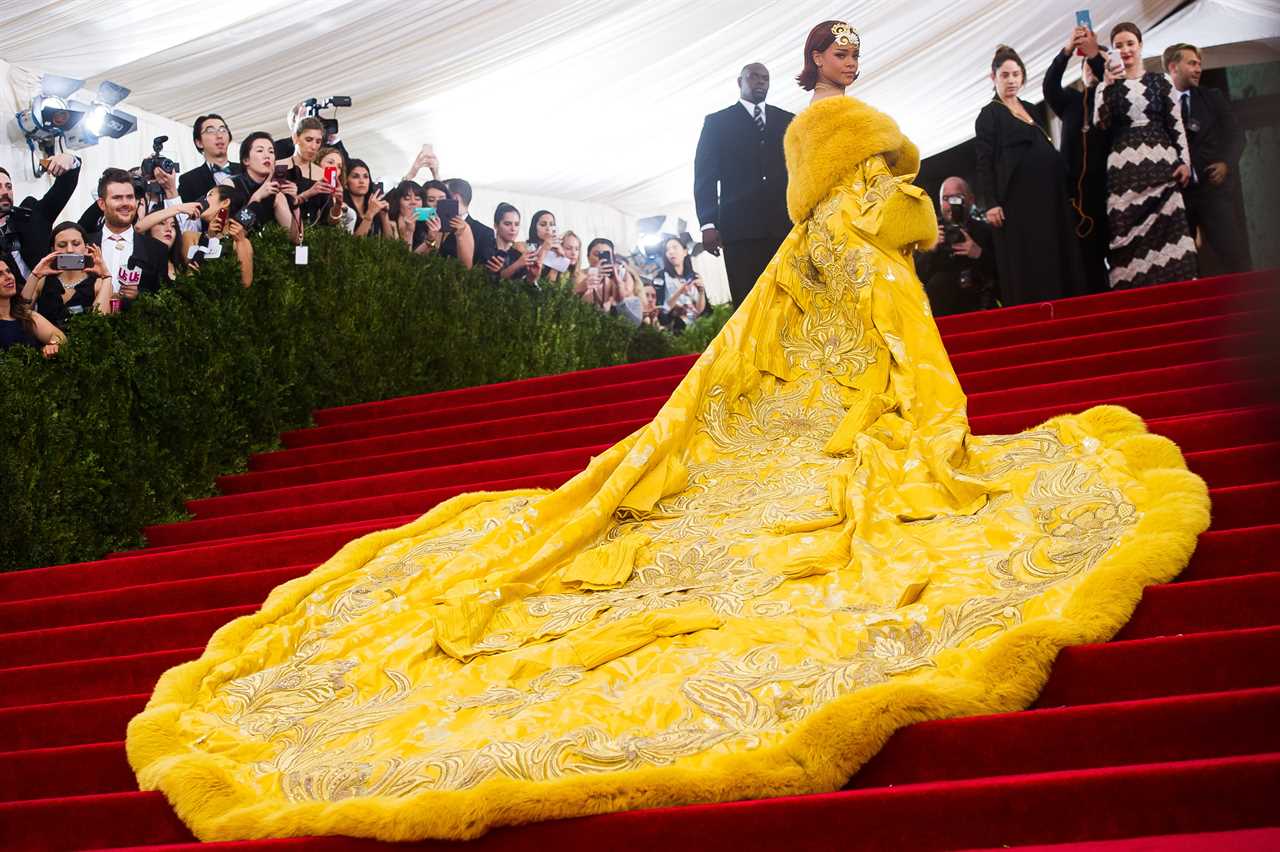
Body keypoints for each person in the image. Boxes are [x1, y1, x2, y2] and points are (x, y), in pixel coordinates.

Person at [128, 20, 1208, 845]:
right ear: (805, 64)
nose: (847, 55)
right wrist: (881, 209)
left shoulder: (856, 128)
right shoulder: (808, 130)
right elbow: (820, 198)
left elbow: (878, 204)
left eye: (850, 46)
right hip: (833, 257)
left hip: (856, 264)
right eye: (833, 46)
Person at [975, 45, 1085, 305]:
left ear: (1023, 77)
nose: (1011, 80)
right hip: (1018, 204)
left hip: (1048, 199)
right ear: (994, 78)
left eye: (1015, 74)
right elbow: (984, 162)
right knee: (1031, 260)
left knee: (1055, 254)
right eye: (1005, 75)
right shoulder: (989, 114)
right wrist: (991, 203)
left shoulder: (1030, 108)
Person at [1095, 23, 1197, 288]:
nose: (1125, 50)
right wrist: (1105, 85)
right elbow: (1100, 124)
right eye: (1118, 45)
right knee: (1124, 241)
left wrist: (1185, 162)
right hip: (1124, 177)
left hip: (1163, 171)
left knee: (1173, 243)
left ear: (1140, 45)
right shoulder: (1105, 87)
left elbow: (1176, 125)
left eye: (1130, 43)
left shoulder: (1161, 81)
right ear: (1112, 51)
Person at [693, 62, 795, 306]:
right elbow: (705, 176)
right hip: (739, 231)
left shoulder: (787, 120)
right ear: (740, 82)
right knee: (747, 301)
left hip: (783, 228)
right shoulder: (717, 123)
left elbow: (799, 171)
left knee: (786, 301)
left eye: (766, 78)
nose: (761, 82)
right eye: (754, 77)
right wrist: (707, 224)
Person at [1164, 42, 1249, 274]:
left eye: (1200, 64)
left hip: (1212, 192)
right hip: (1178, 198)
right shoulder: (1159, 103)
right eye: (1192, 63)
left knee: (1234, 257)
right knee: (1182, 265)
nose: (1198, 69)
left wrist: (1225, 163)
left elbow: (1236, 136)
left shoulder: (1213, 97)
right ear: (1173, 67)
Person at [1044, 26, 1110, 294]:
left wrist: (1096, 56)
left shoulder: (1116, 100)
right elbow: (1049, 86)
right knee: (1084, 262)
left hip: (1109, 191)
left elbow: (1105, 76)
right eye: (1088, 65)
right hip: (1076, 197)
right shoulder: (1071, 101)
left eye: (1097, 64)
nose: (1093, 70)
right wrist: (1068, 51)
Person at [914, 177, 998, 316]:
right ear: (940, 202)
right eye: (946, 198)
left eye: (957, 197)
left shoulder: (985, 231)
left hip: (979, 308)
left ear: (971, 200)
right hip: (940, 314)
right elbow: (913, 280)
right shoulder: (927, 234)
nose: (952, 204)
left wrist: (979, 254)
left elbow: (1002, 275)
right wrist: (929, 250)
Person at [87, 169, 171, 306]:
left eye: (130, 197)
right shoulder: (85, 245)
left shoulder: (156, 249)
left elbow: (165, 298)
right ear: (102, 204)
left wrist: (139, 296)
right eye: (117, 198)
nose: (125, 203)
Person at [0, 152, 81, 277]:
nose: (5, 192)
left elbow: (62, 190)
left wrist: (71, 160)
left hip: (46, 292)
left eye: (8, 186)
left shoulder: (30, 215)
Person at [21, 223, 112, 328]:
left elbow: (100, 321)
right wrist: (35, 275)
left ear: (86, 248)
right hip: (47, 343)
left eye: (76, 244)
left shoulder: (99, 283)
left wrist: (106, 277)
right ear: (53, 250)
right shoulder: (42, 280)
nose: (69, 250)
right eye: (62, 245)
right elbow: (21, 312)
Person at [0, 255, 64, 355]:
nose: (8, 277)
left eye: (8, 271)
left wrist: (53, 345)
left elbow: (59, 336)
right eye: (0, 275)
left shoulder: (26, 316)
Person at [232, 131, 292, 235]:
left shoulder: (276, 191)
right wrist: (257, 197)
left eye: (271, 152)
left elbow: (294, 238)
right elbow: (235, 233)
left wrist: (295, 203)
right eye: (260, 151)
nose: (267, 156)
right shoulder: (232, 185)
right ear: (246, 160)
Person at [178, 114, 240, 202]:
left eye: (223, 130)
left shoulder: (246, 171)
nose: (219, 135)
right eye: (210, 131)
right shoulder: (188, 180)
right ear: (199, 142)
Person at [656, 235, 709, 332]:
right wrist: (680, 291)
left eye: (675, 247)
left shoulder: (694, 276)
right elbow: (661, 309)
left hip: (697, 329)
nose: (671, 252)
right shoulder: (661, 277)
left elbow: (699, 310)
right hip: (675, 328)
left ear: (685, 252)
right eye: (667, 250)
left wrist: (701, 292)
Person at [443, 178, 497, 269]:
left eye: (442, 197)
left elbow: (482, 270)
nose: (438, 202)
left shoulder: (484, 233)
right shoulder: (434, 225)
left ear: (455, 198)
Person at [485, 203, 539, 281]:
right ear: (496, 225)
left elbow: (524, 286)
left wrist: (533, 276)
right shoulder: (487, 250)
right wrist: (518, 264)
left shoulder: (519, 255)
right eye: (507, 224)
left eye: (517, 224)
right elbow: (491, 282)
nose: (513, 229)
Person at [345, 159, 390, 238]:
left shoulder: (374, 205)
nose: (362, 181)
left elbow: (392, 245)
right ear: (345, 182)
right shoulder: (343, 208)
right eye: (355, 177)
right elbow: (351, 245)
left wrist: (384, 216)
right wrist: (370, 214)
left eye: (366, 177)